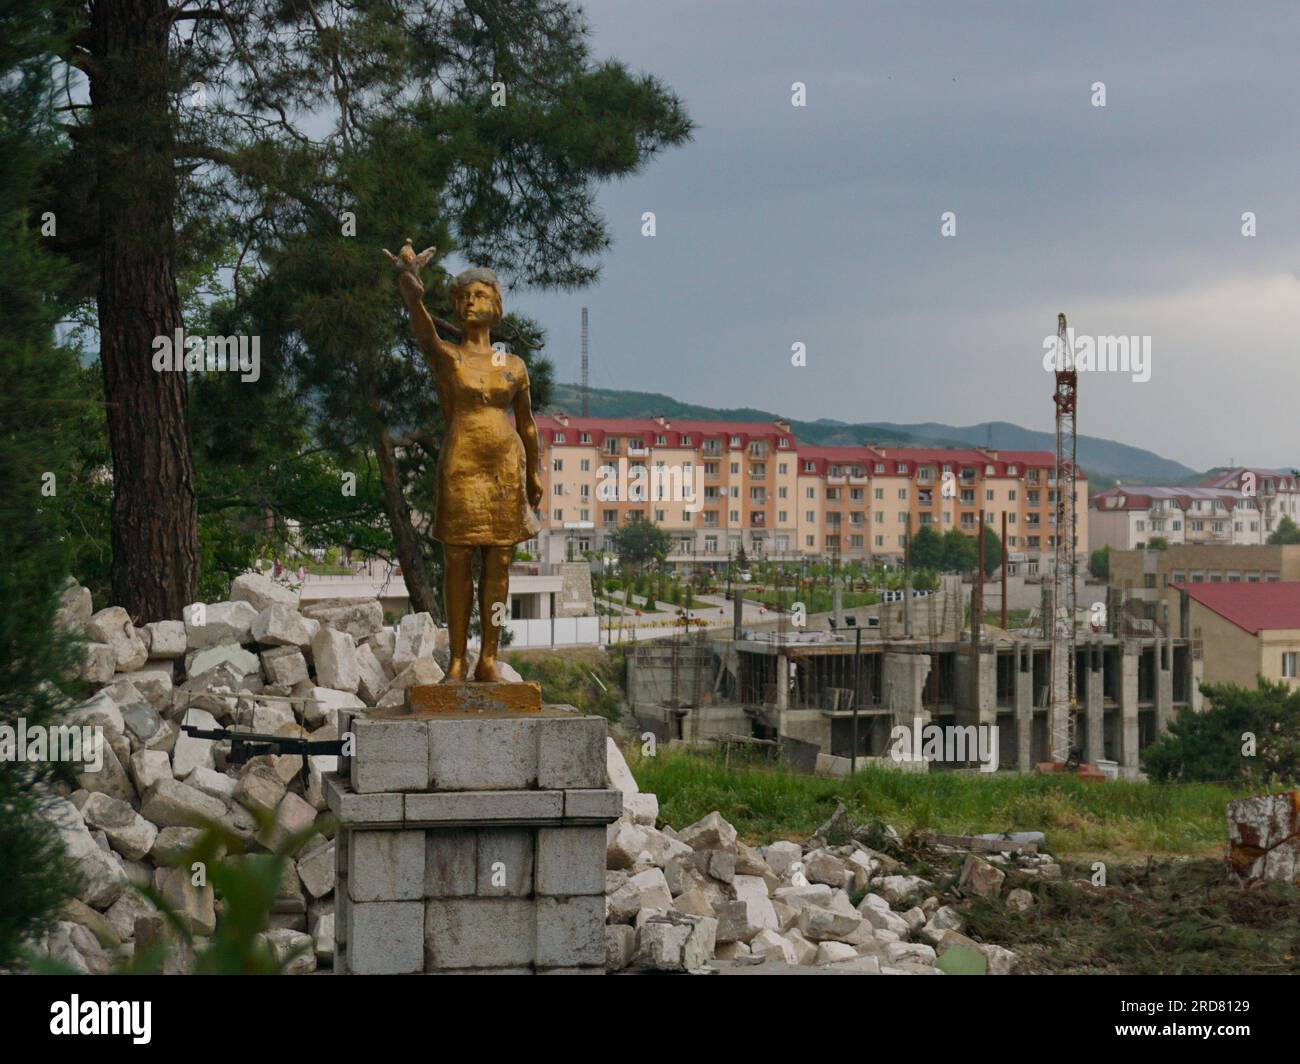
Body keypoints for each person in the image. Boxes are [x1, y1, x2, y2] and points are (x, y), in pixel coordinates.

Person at [390, 240, 541, 682]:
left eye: (483, 295)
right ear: (456, 307)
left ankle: (488, 658)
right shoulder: (450, 357)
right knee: (457, 560)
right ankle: (457, 659)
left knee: (499, 563)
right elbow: (423, 334)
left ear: (497, 306)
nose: (474, 302)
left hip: (505, 470)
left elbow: (528, 424)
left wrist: (534, 470)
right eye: (466, 296)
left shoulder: (512, 363)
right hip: (461, 465)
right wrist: (411, 295)